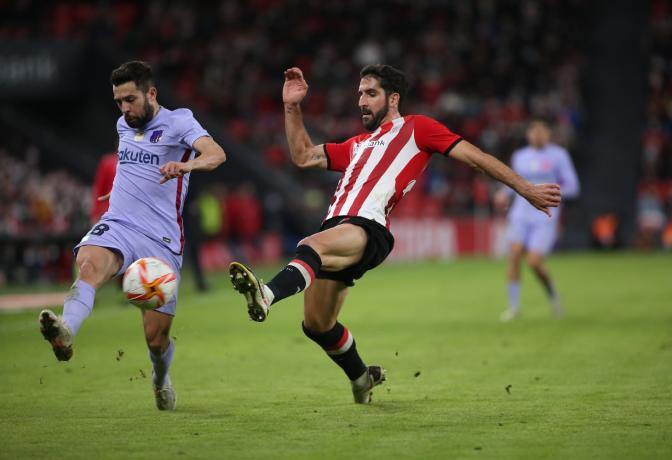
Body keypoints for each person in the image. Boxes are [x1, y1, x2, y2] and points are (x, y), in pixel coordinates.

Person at [228, 65, 561, 404]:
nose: (362, 100)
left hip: (368, 228)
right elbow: (302, 155)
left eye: (370, 93)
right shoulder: (356, 145)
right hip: (337, 229)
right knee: (317, 325)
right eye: (359, 93)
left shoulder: (418, 128)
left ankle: (266, 294)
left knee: (308, 246)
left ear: (393, 98)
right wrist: (291, 106)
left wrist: (525, 188)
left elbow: (475, 158)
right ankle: (361, 378)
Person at [38, 61, 226, 410]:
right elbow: (132, 164)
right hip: (120, 224)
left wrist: (186, 165)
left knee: (156, 340)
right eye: (118, 101)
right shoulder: (124, 124)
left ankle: (160, 379)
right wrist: (121, 191)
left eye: (131, 99)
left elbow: (216, 154)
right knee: (89, 263)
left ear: (151, 93)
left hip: (161, 240)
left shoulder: (179, 121)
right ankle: (66, 330)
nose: (125, 109)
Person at [494, 119, 580, 322]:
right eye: (534, 131)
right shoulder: (520, 156)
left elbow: (573, 187)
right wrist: (503, 194)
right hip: (520, 214)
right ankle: (514, 307)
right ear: (528, 135)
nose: (538, 135)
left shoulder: (559, 155)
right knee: (514, 254)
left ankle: (553, 295)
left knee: (533, 261)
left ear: (548, 134)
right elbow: (514, 183)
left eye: (542, 131)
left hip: (544, 216)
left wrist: (550, 193)